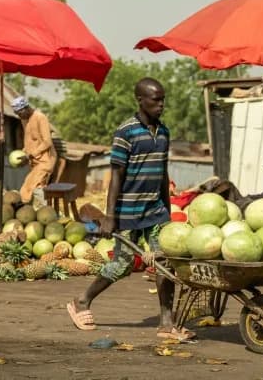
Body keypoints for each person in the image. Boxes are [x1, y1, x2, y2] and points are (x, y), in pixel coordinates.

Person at [67, 78, 193, 340]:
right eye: (155, 100)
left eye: (163, 99)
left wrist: (167, 211)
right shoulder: (126, 132)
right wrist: (110, 216)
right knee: (122, 265)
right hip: (128, 212)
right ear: (140, 100)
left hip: (156, 210)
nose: (161, 105)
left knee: (164, 261)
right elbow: (116, 176)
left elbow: (162, 172)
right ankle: (82, 300)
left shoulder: (164, 132)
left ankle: (166, 323)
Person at [11, 96, 56, 207]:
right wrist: (24, 154)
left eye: (19, 113)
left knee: (35, 186)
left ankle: (45, 213)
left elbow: (47, 142)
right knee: (26, 188)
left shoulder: (40, 117)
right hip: (34, 161)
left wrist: (30, 155)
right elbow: (29, 140)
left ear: (25, 108)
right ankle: (29, 211)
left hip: (46, 160)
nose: (19, 116)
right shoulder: (24, 120)